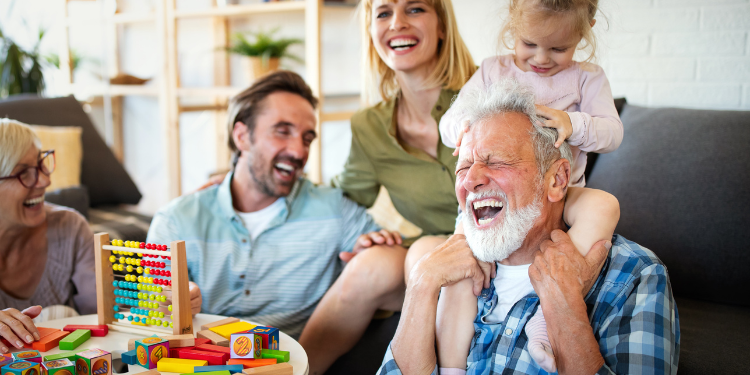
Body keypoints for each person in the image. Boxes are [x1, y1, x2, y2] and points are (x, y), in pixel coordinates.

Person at [378, 79, 679, 375]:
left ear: (557, 180)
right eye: (463, 167)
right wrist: (420, 285)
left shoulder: (634, 277)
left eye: (496, 162)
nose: (470, 181)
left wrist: (565, 311)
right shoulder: (444, 274)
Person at [146, 71, 406, 367]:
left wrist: (366, 256)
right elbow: (151, 313)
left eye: (307, 138)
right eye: (282, 131)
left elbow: (397, 279)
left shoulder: (334, 210)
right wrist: (174, 300)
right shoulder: (175, 220)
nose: (298, 151)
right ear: (242, 136)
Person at [436, 0, 624, 371]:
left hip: (563, 195)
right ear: (512, 24)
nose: (541, 58)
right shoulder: (494, 70)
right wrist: (467, 130)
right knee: (459, 276)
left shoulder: (587, 78)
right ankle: (453, 367)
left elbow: (613, 134)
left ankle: (545, 318)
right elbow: (449, 123)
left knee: (604, 206)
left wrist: (574, 123)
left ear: (585, 29)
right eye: (529, 44)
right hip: (494, 200)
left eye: (558, 48)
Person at [0, 119, 96, 353]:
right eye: (24, 173)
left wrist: (162, 303)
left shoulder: (71, 227)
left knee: (62, 314)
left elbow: (105, 315)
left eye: (41, 164)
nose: (45, 181)